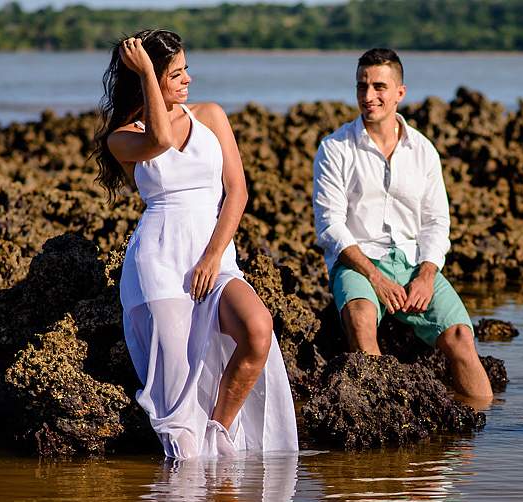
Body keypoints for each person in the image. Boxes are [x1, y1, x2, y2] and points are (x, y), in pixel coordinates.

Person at [92, 29, 297, 458]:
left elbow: (236, 193)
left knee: (258, 330)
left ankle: (218, 434)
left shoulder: (211, 115)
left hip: (214, 260)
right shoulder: (123, 137)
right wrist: (148, 69)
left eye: (187, 70)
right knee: (176, 389)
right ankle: (184, 497)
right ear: (146, 77)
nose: (187, 81)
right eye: (175, 74)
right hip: (159, 265)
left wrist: (212, 256)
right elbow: (160, 141)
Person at [312, 48, 493, 402]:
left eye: (379, 86)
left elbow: (437, 223)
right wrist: (376, 279)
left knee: (460, 336)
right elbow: (330, 227)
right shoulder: (335, 148)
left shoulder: (423, 150)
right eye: (362, 86)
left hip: (413, 261)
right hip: (358, 263)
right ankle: (386, 413)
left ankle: (486, 432)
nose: (368, 96)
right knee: (362, 319)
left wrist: (427, 274)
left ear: (400, 92)